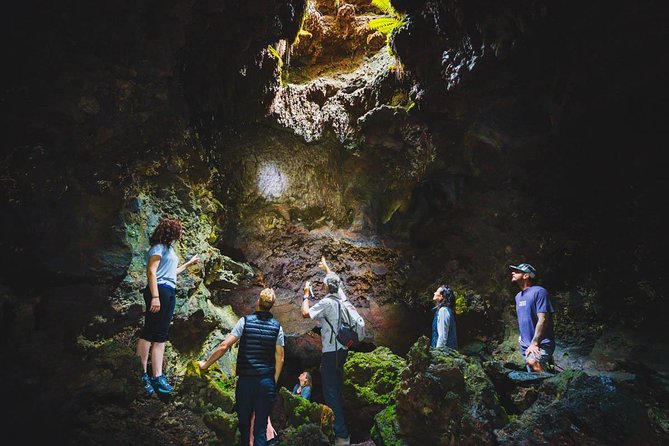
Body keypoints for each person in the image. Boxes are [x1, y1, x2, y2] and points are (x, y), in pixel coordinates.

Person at [199, 288, 285, 446]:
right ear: (272, 305)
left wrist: (205, 365)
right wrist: (273, 380)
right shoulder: (277, 327)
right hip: (266, 382)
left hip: (246, 381)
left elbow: (224, 346)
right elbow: (280, 356)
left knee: (245, 425)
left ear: (258, 302)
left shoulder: (245, 322)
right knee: (260, 429)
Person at [136, 217, 199, 395]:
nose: (182, 232)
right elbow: (151, 272)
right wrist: (155, 296)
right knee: (149, 332)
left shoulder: (169, 249)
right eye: (180, 229)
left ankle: (157, 376)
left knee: (161, 335)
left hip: (169, 290)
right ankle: (141, 374)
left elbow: (172, 272)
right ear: (171, 230)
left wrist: (188, 264)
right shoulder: (158, 248)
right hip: (159, 290)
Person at [301, 257, 351, 446]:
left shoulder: (327, 303)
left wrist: (306, 295)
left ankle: (342, 436)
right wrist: (327, 268)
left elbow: (305, 313)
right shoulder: (341, 298)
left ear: (325, 288)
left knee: (330, 393)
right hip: (343, 351)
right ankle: (342, 429)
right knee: (336, 390)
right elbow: (335, 282)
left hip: (331, 353)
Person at [510, 263, 555, 373]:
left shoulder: (539, 292)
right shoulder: (518, 297)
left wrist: (535, 343)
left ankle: (551, 387)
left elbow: (543, 319)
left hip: (540, 344)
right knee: (532, 375)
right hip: (525, 345)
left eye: (517, 271)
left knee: (532, 362)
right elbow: (524, 319)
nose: (512, 272)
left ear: (526, 276)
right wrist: (521, 338)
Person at [431, 285, 458, 351]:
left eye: (437, 292)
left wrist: (437, 354)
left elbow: (442, 336)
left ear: (441, 296)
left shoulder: (443, 311)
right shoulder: (444, 310)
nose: (434, 293)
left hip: (446, 353)